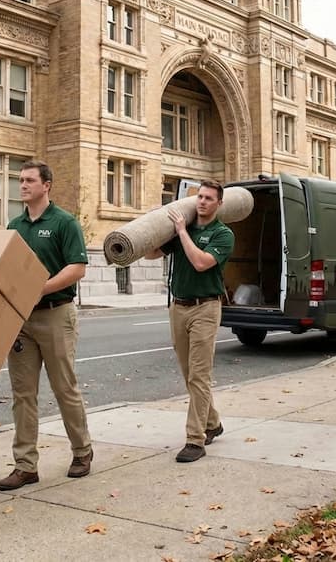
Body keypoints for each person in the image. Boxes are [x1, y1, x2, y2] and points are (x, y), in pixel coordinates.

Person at [0, 160, 93, 491]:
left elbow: (77, 267)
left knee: (64, 388)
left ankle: (82, 452)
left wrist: (40, 287)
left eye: (29, 180)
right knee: (23, 394)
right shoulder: (15, 225)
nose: (22, 185)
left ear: (46, 185)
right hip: (21, 318)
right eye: (20, 180)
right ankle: (25, 465)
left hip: (56, 313)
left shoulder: (65, 222)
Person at [146, 180, 234, 462]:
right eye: (200, 197)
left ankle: (195, 440)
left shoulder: (223, 234)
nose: (202, 202)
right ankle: (213, 422)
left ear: (219, 204)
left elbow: (200, 262)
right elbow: (150, 253)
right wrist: (155, 225)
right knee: (188, 374)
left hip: (205, 309)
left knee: (199, 374)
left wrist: (183, 232)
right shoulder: (182, 228)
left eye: (209, 198)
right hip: (178, 306)